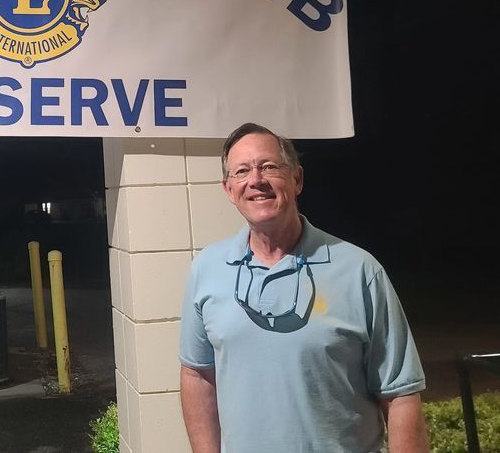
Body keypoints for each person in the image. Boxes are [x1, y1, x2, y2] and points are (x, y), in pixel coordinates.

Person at [179, 122, 429, 453]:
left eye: (268, 166)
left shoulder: (358, 270)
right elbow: (197, 376)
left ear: (297, 179)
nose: (256, 180)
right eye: (242, 171)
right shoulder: (206, 270)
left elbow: (400, 393)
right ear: (229, 189)